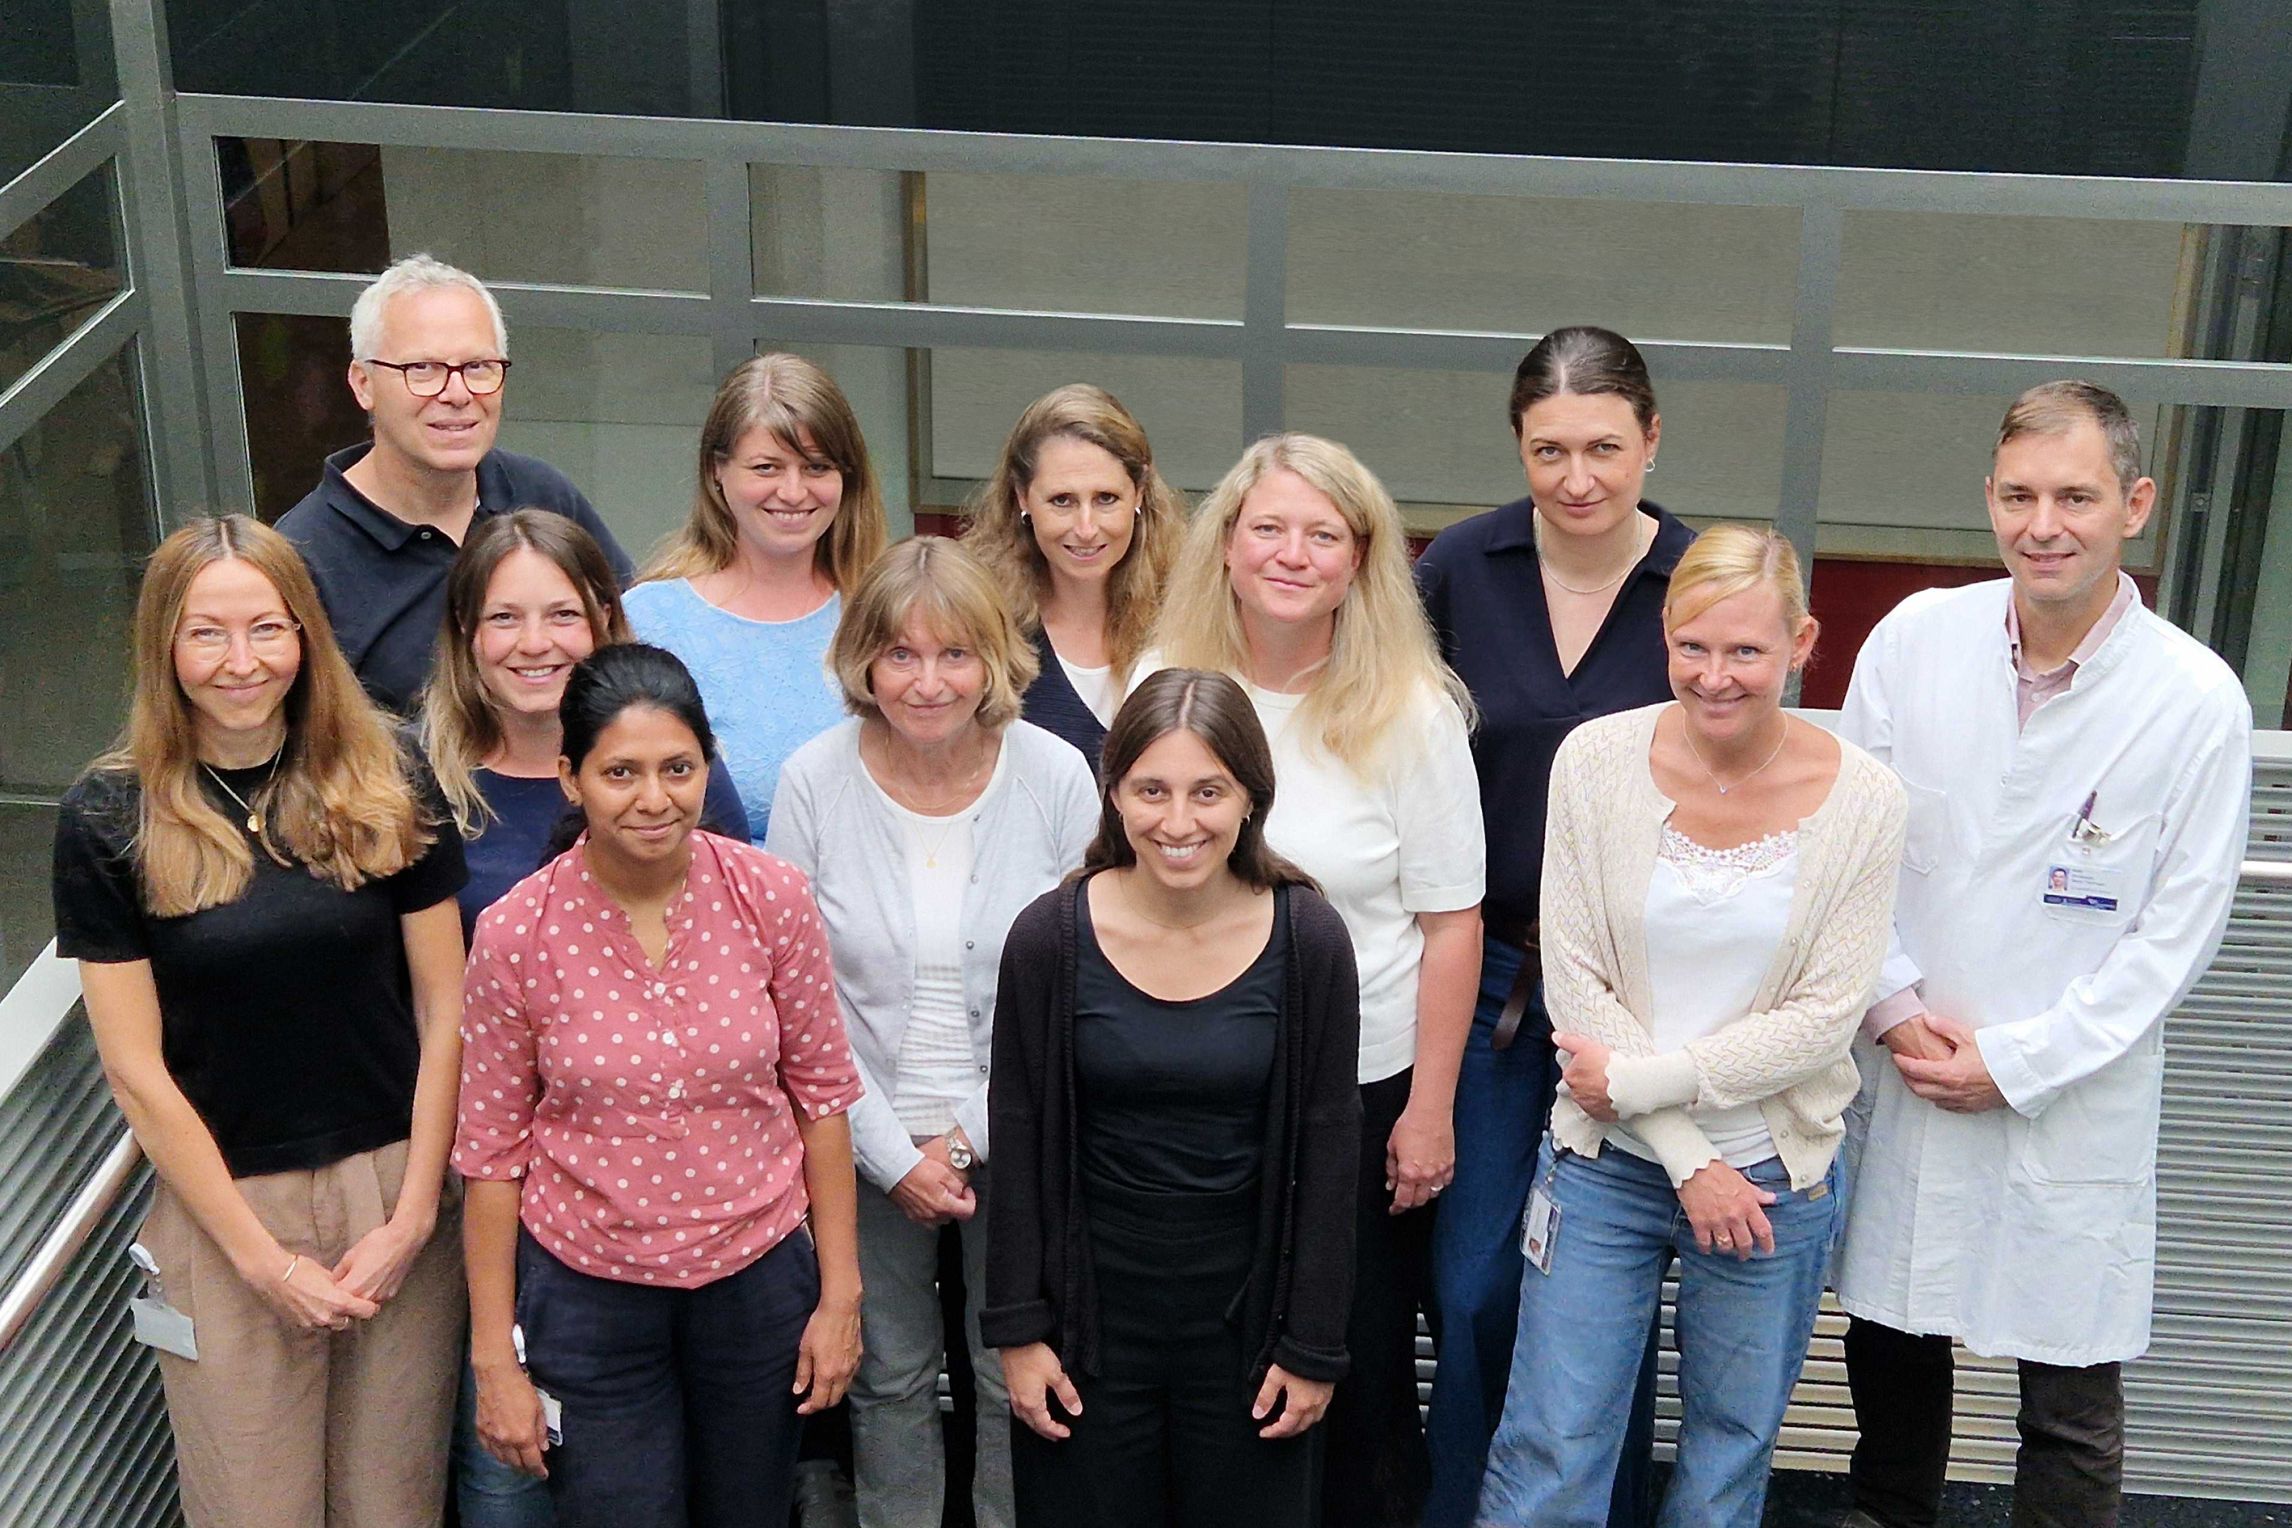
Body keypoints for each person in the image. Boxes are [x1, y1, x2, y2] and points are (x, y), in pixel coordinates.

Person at [1832, 382, 2252, 1528]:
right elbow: (1847, 850)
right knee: (1892, 1361)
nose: (2043, 524)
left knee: (2068, 1397)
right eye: (2018, 495)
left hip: (2073, 1097)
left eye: (2076, 495)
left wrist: (2020, 1058)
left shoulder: (2194, 698)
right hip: (1908, 1062)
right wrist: (1893, 1008)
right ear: (1989, 499)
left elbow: (2178, 933)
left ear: (2137, 504)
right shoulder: (1917, 640)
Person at [1475, 525, 1907, 1528]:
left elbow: (1822, 1017)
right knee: (1554, 1441)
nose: (1716, 677)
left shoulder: (1867, 801)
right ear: (1664, 638)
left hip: (1773, 1176)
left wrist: (1645, 1089)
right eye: (1693, 649)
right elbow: (1575, 982)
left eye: (1747, 651)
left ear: (1803, 642)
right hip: (1605, 1162)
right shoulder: (1595, 761)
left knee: (1727, 1454)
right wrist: (1682, 1151)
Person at [52, 514, 468, 1526]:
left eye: (267, 629)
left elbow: (447, 1002)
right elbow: (138, 1075)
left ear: (305, 635)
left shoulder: (389, 772)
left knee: (392, 1504)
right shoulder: (111, 816)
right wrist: (260, 1259)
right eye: (207, 633)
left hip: (394, 1195)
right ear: (165, 647)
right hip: (227, 1212)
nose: (241, 662)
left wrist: (414, 1214)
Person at [1150, 434, 1484, 1527]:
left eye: (1323, 534)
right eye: (1270, 528)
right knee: (1214, 1367)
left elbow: (1452, 921)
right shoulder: (1167, 686)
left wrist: (1429, 1108)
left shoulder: (1411, 709)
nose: (1292, 554)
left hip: (1361, 1094)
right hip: (1201, 1089)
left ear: (1361, 559)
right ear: (1229, 544)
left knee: (1358, 1363)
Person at [454, 643, 864, 1528]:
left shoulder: (771, 896)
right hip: (588, 1292)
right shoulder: (515, 932)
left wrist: (841, 1296)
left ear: (707, 769)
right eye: (620, 772)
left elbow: (824, 1102)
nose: (653, 798)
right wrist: (496, 1358)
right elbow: (490, 1159)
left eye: (677, 768)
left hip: (757, 1282)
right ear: (571, 778)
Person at [1412, 325, 1693, 1527]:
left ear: (1651, 439)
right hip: (1489, 969)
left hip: (1645, 988)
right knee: (1475, 1282)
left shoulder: (1701, 576)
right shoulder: (1458, 569)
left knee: (1598, 1287)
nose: (1577, 478)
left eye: (1603, 447)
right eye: (1548, 449)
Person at [416, 510, 747, 1528]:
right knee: (504, 1466)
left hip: (648, 1210)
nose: (536, 641)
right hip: (475, 1179)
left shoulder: (679, 782)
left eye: (562, 612)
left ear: (604, 619)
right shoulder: (420, 786)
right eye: (505, 615)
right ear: (466, 632)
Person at [767, 536, 1098, 1528]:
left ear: (996, 659)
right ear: (861, 660)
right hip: (855, 1137)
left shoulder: (1055, 774)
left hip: (1025, 1130)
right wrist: (890, 1153)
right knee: (888, 1377)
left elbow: (1085, 983)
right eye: (899, 654)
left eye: (954, 653)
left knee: (1016, 1379)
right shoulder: (813, 780)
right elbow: (795, 1001)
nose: (927, 680)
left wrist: (961, 1142)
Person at [984, 668, 1362, 1528]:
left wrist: (1312, 1347)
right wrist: (1018, 1332)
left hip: (1250, 1340)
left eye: (1208, 791)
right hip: (1087, 1336)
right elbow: (1018, 1130)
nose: (1179, 822)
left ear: (1250, 799)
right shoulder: (1050, 939)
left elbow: (1331, 1145)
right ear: (1114, 794)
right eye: (1151, 789)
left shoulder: (1308, 939)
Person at [277, 254, 633, 715]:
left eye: (479, 366)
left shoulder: (542, 495)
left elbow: (627, 645)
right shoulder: (304, 554)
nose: (458, 393)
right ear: (363, 384)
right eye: (422, 369)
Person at [625, 353, 890, 840]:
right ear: (716, 472)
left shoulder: (886, 613)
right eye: (767, 467)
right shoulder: (648, 623)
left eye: (816, 466)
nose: (793, 491)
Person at [963, 383, 1186, 761]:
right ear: (1022, 496)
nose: (1085, 528)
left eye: (1106, 499)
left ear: (1141, 492)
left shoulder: (1187, 617)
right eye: (1062, 501)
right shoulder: (979, 621)